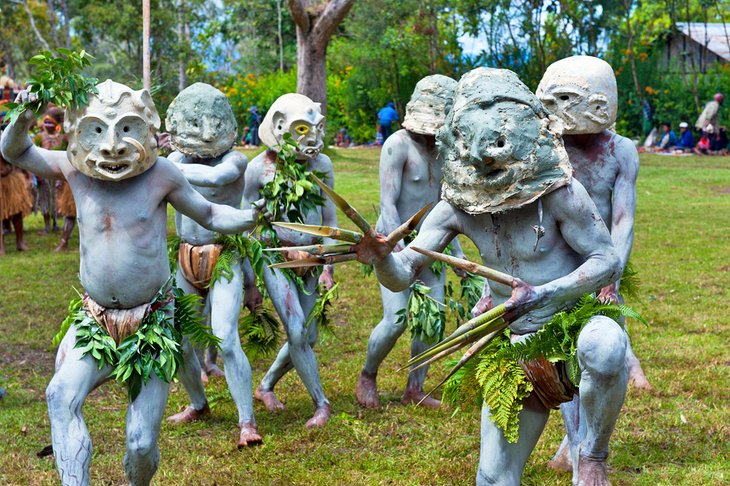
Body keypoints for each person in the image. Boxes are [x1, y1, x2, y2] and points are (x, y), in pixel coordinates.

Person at [342, 68, 626, 485]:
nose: (488, 158)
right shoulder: (455, 207)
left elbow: (606, 260)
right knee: (492, 478)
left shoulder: (561, 193)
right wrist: (382, 258)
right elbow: (404, 275)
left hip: (572, 330)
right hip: (516, 348)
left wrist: (545, 293)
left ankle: (592, 454)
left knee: (606, 344)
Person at [1, 80, 263, 485]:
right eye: (99, 131)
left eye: (125, 130)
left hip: (151, 325)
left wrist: (245, 219)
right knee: (59, 396)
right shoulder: (72, 167)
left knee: (140, 446)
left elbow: (210, 213)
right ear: (80, 129)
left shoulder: (161, 174)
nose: (112, 147)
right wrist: (24, 114)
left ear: (144, 127)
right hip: (95, 321)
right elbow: (14, 151)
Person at [536, 55, 650, 476]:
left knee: (601, 351)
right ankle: (579, 447)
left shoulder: (621, 152)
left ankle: (584, 447)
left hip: (602, 261)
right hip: (557, 266)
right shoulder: (546, 149)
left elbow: (623, 218)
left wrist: (612, 271)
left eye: (567, 98)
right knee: (566, 352)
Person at [356, 74, 468, 410]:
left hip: (430, 244)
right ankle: (368, 375)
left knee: (433, 317)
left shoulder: (445, 150)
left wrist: (457, 253)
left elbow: (445, 205)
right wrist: (397, 249)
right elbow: (388, 203)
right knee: (397, 319)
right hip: (394, 244)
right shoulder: (397, 145)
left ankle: (415, 387)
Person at [162, 83, 263, 447]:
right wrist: (163, 163)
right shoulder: (174, 162)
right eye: (196, 123)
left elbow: (217, 179)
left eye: (213, 124)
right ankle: (198, 403)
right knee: (182, 340)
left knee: (226, 336)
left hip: (225, 254)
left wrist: (158, 166)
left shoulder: (234, 161)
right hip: (185, 256)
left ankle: (246, 421)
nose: (205, 133)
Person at [246, 93, 338, 428]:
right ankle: (321, 404)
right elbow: (246, 224)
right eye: (302, 129)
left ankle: (266, 385)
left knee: (308, 336)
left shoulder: (322, 166)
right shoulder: (258, 169)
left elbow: (330, 218)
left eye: (316, 129)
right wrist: (250, 279)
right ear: (281, 127)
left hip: (312, 258)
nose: (311, 138)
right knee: (297, 329)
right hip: (275, 258)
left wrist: (327, 266)